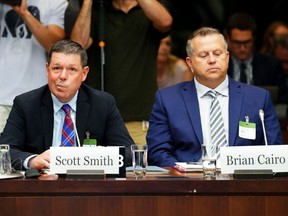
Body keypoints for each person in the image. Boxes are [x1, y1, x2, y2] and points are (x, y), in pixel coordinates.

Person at [146, 27, 283, 167]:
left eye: (217, 54)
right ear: (190, 63)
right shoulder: (168, 100)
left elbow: (274, 152)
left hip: (243, 183)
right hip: (188, 183)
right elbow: (157, 152)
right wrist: (182, 173)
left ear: (227, 57)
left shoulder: (258, 99)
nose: (212, 60)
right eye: (203, 55)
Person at [0, 39, 133, 171]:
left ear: (84, 74)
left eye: (72, 70)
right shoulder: (26, 104)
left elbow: (128, 152)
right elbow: (5, 150)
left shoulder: (102, 104)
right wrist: (32, 161)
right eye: (56, 68)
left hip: (89, 186)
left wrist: (100, 156)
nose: (63, 76)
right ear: (47, 70)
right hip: (42, 185)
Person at [67, 0, 173, 145]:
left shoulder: (146, 12)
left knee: (139, 166)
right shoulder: (99, 10)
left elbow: (165, 21)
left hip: (136, 119)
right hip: (97, 120)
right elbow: (77, 46)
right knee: (92, 167)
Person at [0, 0, 68, 133]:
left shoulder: (55, 2)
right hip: (1, 96)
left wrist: (24, 13)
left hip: (35, 98)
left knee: (35, 153)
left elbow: (54, 46)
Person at [224, 13, 287, 103]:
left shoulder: (271, 65)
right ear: (228, 40)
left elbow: (283, 101)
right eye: (237, 43)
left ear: (254, 40)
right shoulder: (217, 65)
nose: (242, 48)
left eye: (247, 42)